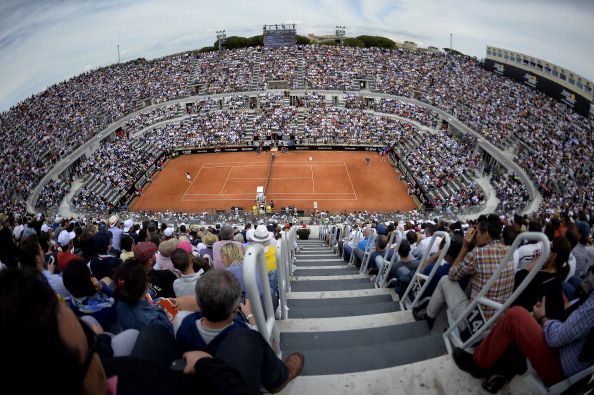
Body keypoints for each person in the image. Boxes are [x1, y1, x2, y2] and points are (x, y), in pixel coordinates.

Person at [0, 266, 304, 394]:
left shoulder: (177, 325)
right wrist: (208, 365)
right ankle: (277, 376)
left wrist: (173, 308)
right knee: (246, 338)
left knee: (158, 330)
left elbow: (171, 317)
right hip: (210, 375)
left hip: (176, 344)